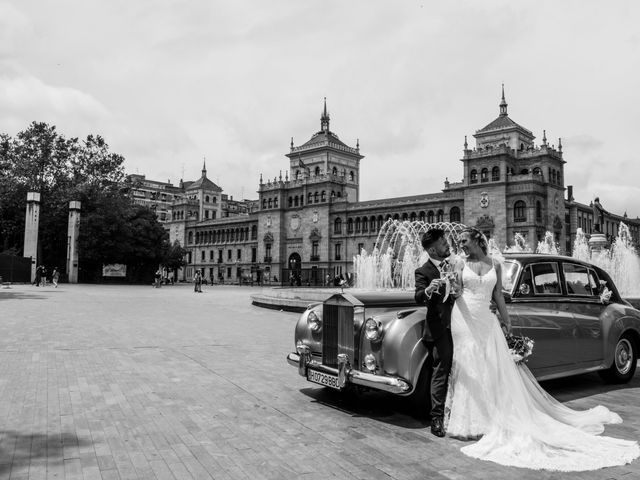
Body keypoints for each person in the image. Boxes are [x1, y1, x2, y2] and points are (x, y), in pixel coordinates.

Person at [445, 227, 639, 471]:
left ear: (476, 240)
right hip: (465, 317)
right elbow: (458, 293)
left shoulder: (495, 265)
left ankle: (486, 418)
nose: (460, 244)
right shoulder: (461, 264)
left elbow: (499, 296)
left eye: (464, 240)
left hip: (487, 317)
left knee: (491, 367)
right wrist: (451, 286)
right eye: (459, 240)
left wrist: (507, 321)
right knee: (469, 365)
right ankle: (473, 420)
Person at [414, 228, 457, 438]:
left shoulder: (456, 264)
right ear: (432, 249)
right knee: (441, 370)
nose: (447, 245)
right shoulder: (423, 271)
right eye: (443, 243)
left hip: (463, 326)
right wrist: (429, 290)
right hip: (441, 329)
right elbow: (418, 295)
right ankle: (437, 418)